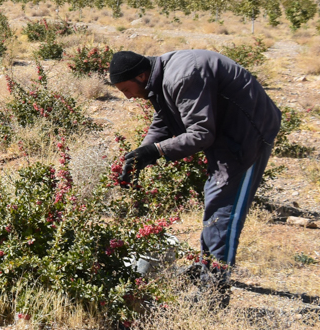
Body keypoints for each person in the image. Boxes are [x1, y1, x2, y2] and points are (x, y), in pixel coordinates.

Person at [110, 49, 281, 304]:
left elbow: (201, 133)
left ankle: (214, 292)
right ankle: (208, 269)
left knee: (224, 210)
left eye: (127, 89)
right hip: (225, 132)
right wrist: (140, 155)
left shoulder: (181, 75)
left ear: (142, 75)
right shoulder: (160, 78)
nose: (128, 97)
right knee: (215, 201)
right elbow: (164, 120)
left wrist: (155, 151)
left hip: (248, 134)